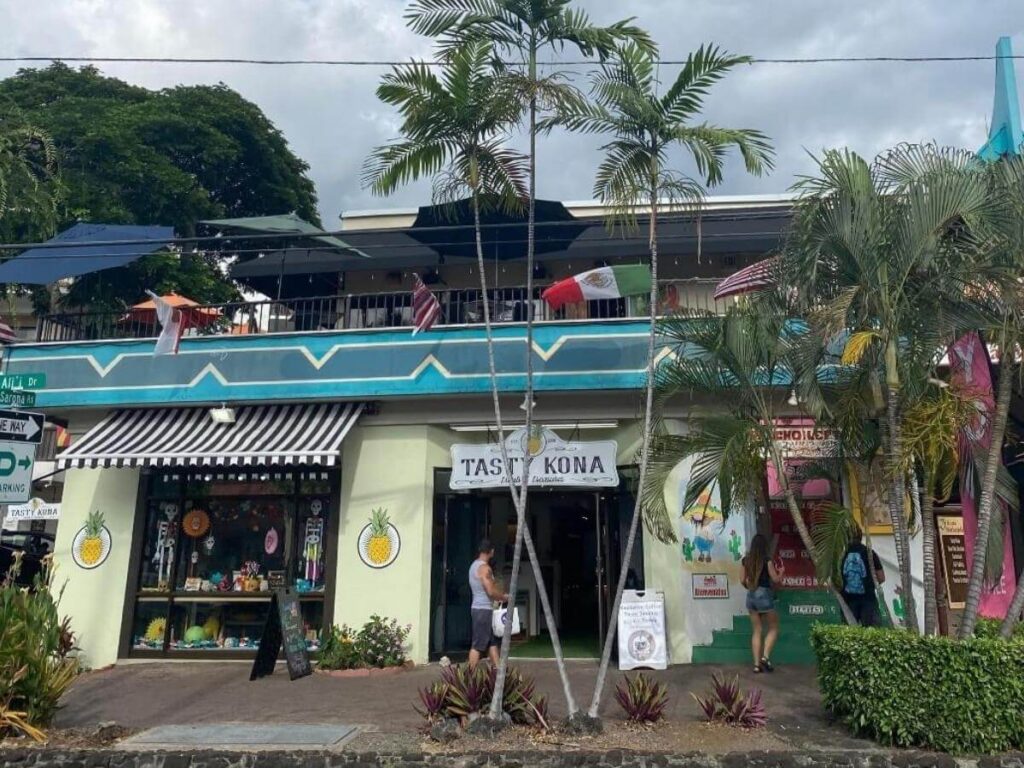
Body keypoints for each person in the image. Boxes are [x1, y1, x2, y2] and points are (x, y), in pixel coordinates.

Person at [741, 533, 783, 673]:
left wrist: (750, 586)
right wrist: (781, 572)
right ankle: (765, 657)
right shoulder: (767, 561)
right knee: (773, 628)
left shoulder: (745, 560)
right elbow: (775, 579)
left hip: (751, 596)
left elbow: (742, 580)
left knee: (757, 630)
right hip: (764, 595)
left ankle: (756, 665)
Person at [467, 538, 509, 669]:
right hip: (483, 610)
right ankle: (469, 676)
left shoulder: (473, 565)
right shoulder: (485, 569)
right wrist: (504, 597)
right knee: (478, 645)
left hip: (479, 608)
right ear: (491, 551)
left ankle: (498, 670)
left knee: (491, 642)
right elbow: (490, 591)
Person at [840, 527, 885, 626]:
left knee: (848, 636)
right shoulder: (870, 553)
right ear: (861, 537)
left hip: (848, 601)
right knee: (870, 635)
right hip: (868, 599)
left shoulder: (841, 555)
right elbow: (881, 578)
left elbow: (836, 578)